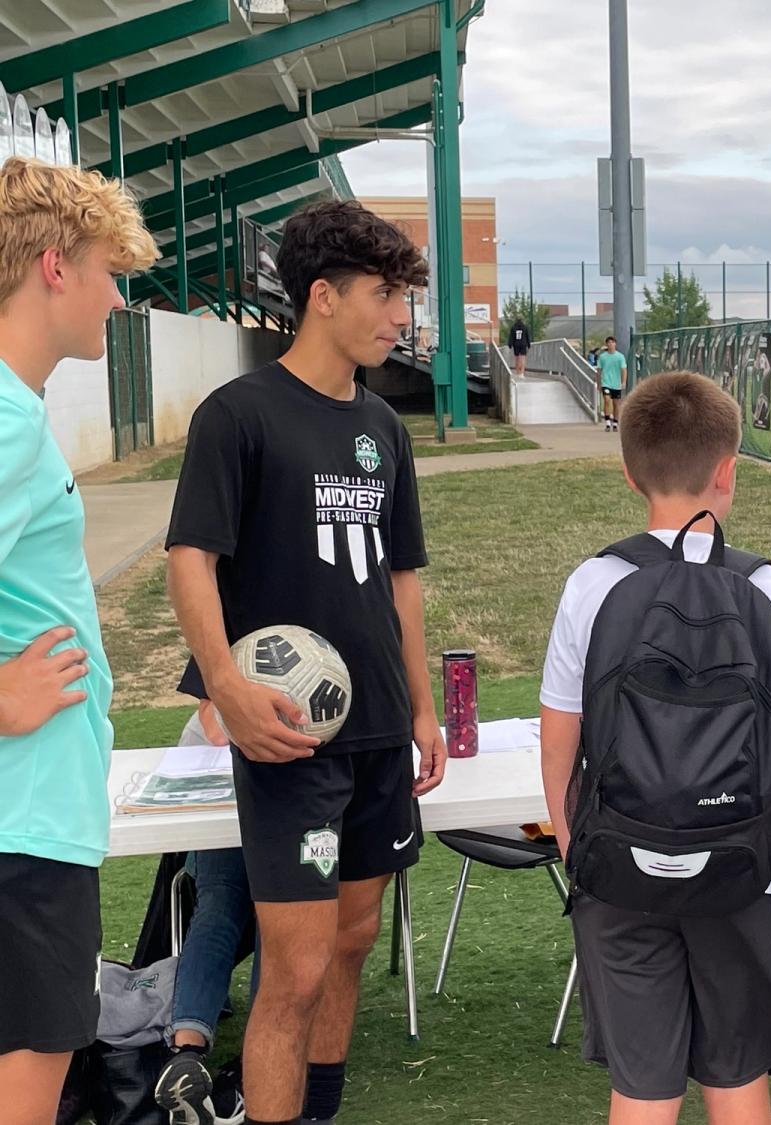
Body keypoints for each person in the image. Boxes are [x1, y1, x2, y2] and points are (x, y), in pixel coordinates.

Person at [165, 200, 445, 1125]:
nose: (399, 316)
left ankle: (315, 1112)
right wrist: (229, 686)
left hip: (376, 738)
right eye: (384, 294)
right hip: (292, 744)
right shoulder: (238, 416)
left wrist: (422, 706)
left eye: (402, 296)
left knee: (356, 940)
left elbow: (402, 580)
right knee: (297, 963)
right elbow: (190, 558)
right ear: (322, 297)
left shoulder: (384, 430)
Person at [538, 372, 771, 1125]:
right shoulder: (766, 586)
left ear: (628, 471)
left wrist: (577, 845)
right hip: (741, 869)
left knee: (642, 1086)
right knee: (738, 1074)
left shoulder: (593, 582)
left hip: (618, 865)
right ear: (728, 469)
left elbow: (560, 738)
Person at [0, 156, 157, 1124]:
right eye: (109, 270)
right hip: (24, 830)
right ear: (55, 267)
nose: (116, 296)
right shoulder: (9, 422)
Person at [153, 699, 253, 1125]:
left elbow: (211, 715)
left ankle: (187, 1050)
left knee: (219, 904)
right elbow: (216, 722)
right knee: (288, 911)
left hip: (212, 767)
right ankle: (259, 1065)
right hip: (241, 768)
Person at [597, 335, 626, 432]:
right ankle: (607, 422)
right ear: (606, 344)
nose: (610, 344)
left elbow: (624, 370)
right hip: (606, 382)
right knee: (607, 400)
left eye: (612, 342)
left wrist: (623, 382)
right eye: (608, 342)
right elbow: (599, 370)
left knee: (616, 404)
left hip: (616, 383)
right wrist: (599, 383)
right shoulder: (602, 357)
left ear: (615, 344)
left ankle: (615, 422)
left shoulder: (620, 356)